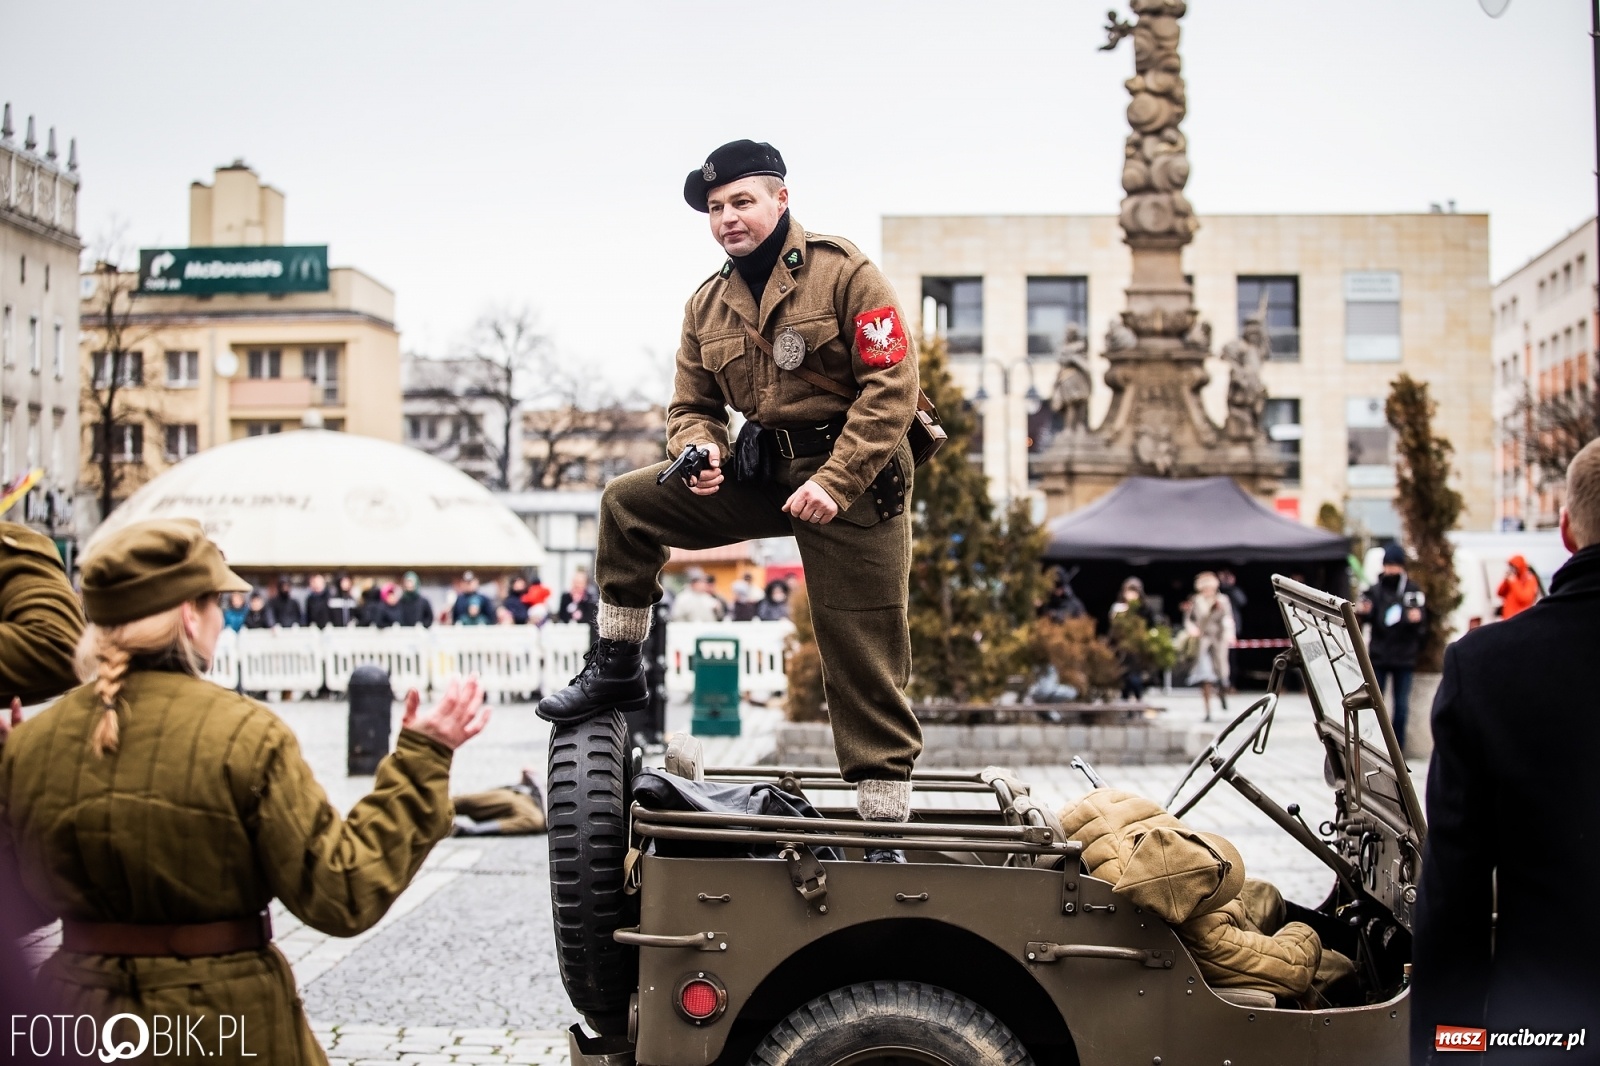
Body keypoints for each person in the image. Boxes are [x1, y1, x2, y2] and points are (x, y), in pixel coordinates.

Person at [538, 139, 922, 842]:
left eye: (741, 201)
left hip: (857, 478)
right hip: (766, 471)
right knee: (626, 504)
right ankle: (618, 665)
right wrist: (699, 448)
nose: (728, 218)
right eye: (716, 208)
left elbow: (893, 387)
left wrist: (835, 483)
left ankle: (882, 829)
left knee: (862, 651)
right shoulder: (707, 304)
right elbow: (689, 405)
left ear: (781, 198)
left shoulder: (844, 272)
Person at [0, 518, 490, 1066]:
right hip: (222, 1024)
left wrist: (18, 771)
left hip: (72, 1023)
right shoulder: (246, 733)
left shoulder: (33, 744)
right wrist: (422, 760)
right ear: (190, 614)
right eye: (216, 605)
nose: (221, 621)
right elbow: (342, 891)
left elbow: (15, 907)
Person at [1411, 439, 1600, 1064]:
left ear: (1566, 530)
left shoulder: (1487, 669)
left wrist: (1452, 1050)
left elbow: (1453, 905)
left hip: (1549, 1035)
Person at [1356, 543, 1426, 748]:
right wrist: (1363, 612)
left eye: (1395, 565)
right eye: (1388, 565)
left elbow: (1422, 624)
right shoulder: (1374, 591)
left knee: (1402, 705)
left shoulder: (1412, 591)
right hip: (1380, 656)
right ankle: (1376, 745)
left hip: (1404, 657)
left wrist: (1416, 620)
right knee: (1375, 704)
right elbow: (1364, 620)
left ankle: (1398, 748)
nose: (1392, 570)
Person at [1184, 571, 1235, 722]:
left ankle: (1222, 693)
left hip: (1218, 640)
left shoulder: (1222, 600)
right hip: (1203, 641)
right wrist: (1191, 629)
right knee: (1205, 675)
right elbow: (1189, 619)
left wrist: (1229, 634)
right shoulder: (1196, 601)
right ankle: (1208, 710)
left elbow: (1227, 618)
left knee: (1221, 675)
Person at [452, 768, 546, 837]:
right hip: (522, 797)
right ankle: (439, 808)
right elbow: (529, 771)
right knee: (465, 802)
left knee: (535, 821)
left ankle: (469, 830)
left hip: (537, 813)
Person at [1109, 576, 1158, 700]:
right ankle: (1126, 703)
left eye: (1134, 591)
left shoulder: (1145, 609)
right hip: (1122, 648)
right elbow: (1113, 627)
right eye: (1129, 591)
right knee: (1124, 676)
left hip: (1138, 649)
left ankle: (1138, 700)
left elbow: (1151, 625)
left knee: (1135, 677)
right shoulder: (1118, 608)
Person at [1495, 553, 1540, 620]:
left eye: (1514, 567)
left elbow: (1525, 598)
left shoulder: (1529, 579)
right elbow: (1499, 593)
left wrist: (1513, 582)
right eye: (1511, 567)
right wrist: (1506, 580)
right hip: (1508, 619)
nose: (1513, 569)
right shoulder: (1512, 579)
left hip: (1520, 619)